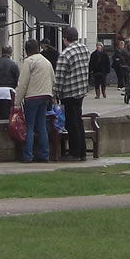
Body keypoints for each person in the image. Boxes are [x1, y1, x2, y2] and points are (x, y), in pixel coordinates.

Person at [52, 26, 91, 161]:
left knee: (71, 123)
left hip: (68, 92)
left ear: (65, 39)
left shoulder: (65, 54)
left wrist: (55, 93)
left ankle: (74, 152)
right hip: (81, 90)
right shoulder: (84, 49)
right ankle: (83, 151)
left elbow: (59, 77)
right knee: (78, 121)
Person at [16, 40, 55, 163]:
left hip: (32, 97)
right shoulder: (46, 62)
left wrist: (17, 102)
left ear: (27, 51)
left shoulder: (29, 62)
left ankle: (28, 155)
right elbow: (53, 79)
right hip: (45, 96)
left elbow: (23, 83)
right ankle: (44, 154)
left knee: (30, 126)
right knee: (42, 125)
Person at [113, 38, 130, 104]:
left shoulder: (128, 51)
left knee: (129, 79)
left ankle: (129, 90)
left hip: (127, 67)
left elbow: (122, 59)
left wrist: (123, 64)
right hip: (129, 67)